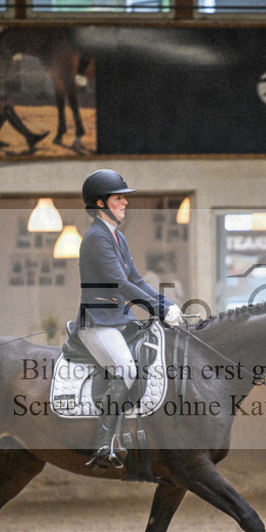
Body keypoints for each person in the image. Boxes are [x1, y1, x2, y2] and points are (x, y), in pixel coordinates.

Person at [75, 169, 181, 468]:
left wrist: (165, 304)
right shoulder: (96, 238)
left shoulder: (116, 237)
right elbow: (121, 284)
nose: (124, 203)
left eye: (123, 198)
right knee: (126, 370)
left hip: (118, 321)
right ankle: (103, 444)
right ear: (100, 204)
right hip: (97, 323)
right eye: (118, 198)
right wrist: (158, 309)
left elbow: (136, 278)